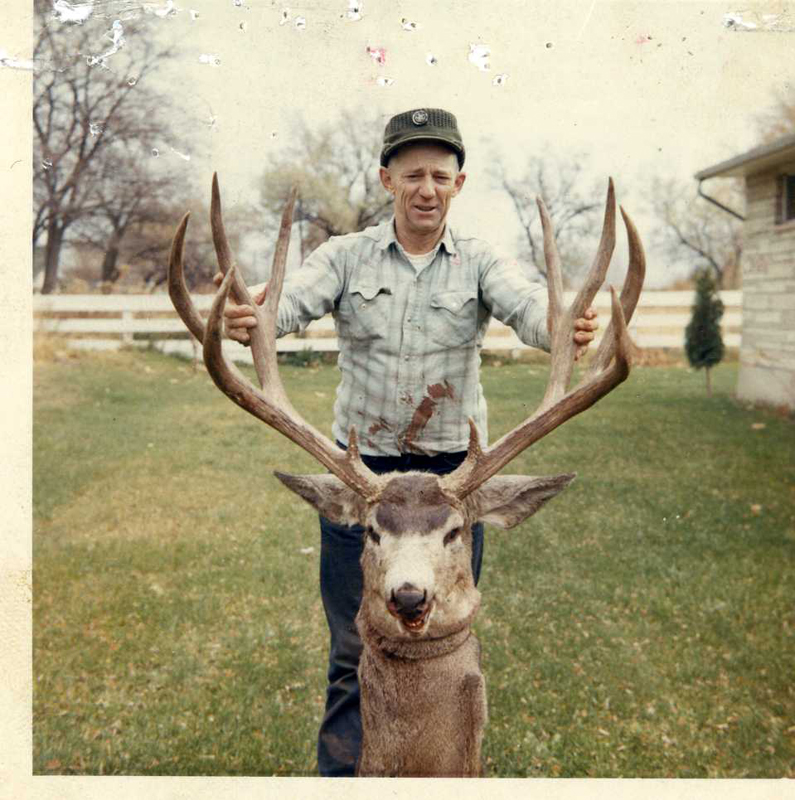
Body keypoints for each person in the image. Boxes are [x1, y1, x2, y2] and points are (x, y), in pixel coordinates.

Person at [216, 108, 599, 776]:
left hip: (453, 489)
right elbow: (287, 304)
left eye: (440, 176)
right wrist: (248, 312)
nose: (427, 187)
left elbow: (529, 308)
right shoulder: (343, 257)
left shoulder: (479, 259)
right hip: (363, 487)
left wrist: (564, 323)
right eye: (413, 173)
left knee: (447, 647)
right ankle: (344, 782)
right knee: (352, 651)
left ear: (458, 183)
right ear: (387, 178)